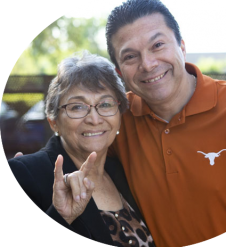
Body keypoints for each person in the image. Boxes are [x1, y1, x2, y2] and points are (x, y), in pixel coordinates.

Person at [103, 0, 226, 246]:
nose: (148, 64)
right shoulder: (117, 120)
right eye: (130, 56)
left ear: (182, 47)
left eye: (158, 45)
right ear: (120, 71)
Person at [7, 51, 155, 246]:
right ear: (54, 122)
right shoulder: (25, 174)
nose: (94, 119)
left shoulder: (124, 171)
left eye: (105, 104)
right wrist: (60, 217)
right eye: (77, 107)